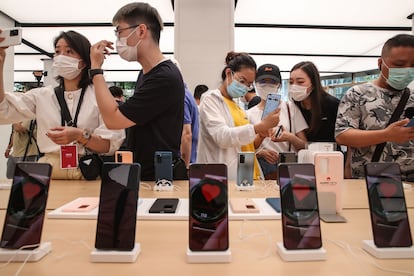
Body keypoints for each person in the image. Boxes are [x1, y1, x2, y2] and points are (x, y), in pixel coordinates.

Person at [0, 30, 125, 179]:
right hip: (48, 171)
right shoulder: (42, 95)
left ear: (84, 61)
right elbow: (4, 111)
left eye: (69, 51)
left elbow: (109, 145)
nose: (60, 57)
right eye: (57, 51)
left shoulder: (99, 97)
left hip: (87, 170)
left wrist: (80, 135)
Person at [90, 2, 185, 181]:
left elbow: (113, 120)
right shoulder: (146, 73)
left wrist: (96, 70)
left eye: (119, 32)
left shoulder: (164, 77)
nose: (118, 40)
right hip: (147, 172)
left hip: (159, 177)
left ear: (141, 31)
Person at [336, 34, 414, 179]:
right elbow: (342, 135)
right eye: (399, 64)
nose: (407, 70)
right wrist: (386, 135)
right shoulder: (357, 94)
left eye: (413, 65)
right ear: (380, 63)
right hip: (369, 183)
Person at [197, 51, 280, 180]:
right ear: (229, 73)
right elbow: (222, 137)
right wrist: (258, 127)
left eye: (249, 84)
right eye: (242, 81)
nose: (245, 87)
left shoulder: (237, 106)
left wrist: (261, 135)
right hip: (223, 176)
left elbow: (244, 144)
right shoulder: (211, 99)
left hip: (248, 174)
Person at [247, 64, 308, 179]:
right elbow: (244, 150)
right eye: (262, 81)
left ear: (279, 85)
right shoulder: (249, 115)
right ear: (255, 84)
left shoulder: (291, 109)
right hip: (262, 171)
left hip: (289, 170)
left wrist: (290, 137)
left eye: (272, 82)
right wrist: (260, 152)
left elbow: (304, 146)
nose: (267, 85)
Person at [289, 61, 340, 144]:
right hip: (305, 154)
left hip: (331, 154)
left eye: (300, 82)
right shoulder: (294, 107)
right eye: (291, 82)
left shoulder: (332, 105)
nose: (294, 86)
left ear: (313, 83)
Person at [181, 83, 199, 168]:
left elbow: (186, 134)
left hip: (185, 162)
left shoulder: (181, 97)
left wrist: (185, 168)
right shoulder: (188, 94)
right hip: (191, 159)